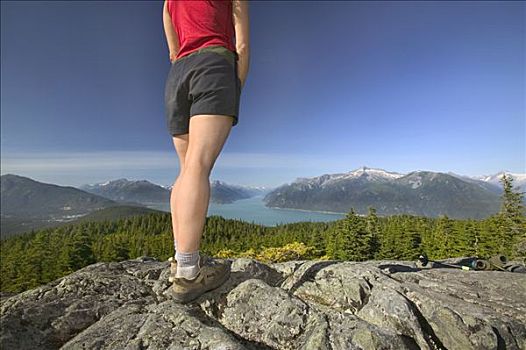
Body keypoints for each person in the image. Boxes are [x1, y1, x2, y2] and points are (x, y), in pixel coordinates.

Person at [162, 0, 250, 303]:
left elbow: (171, 41)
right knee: (198, 167)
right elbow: (243, 45)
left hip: (177, 75)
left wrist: (179, 57)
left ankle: (182, 260)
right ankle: (188, 274)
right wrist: (234, 87)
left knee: (186, 168)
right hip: (214, 65)